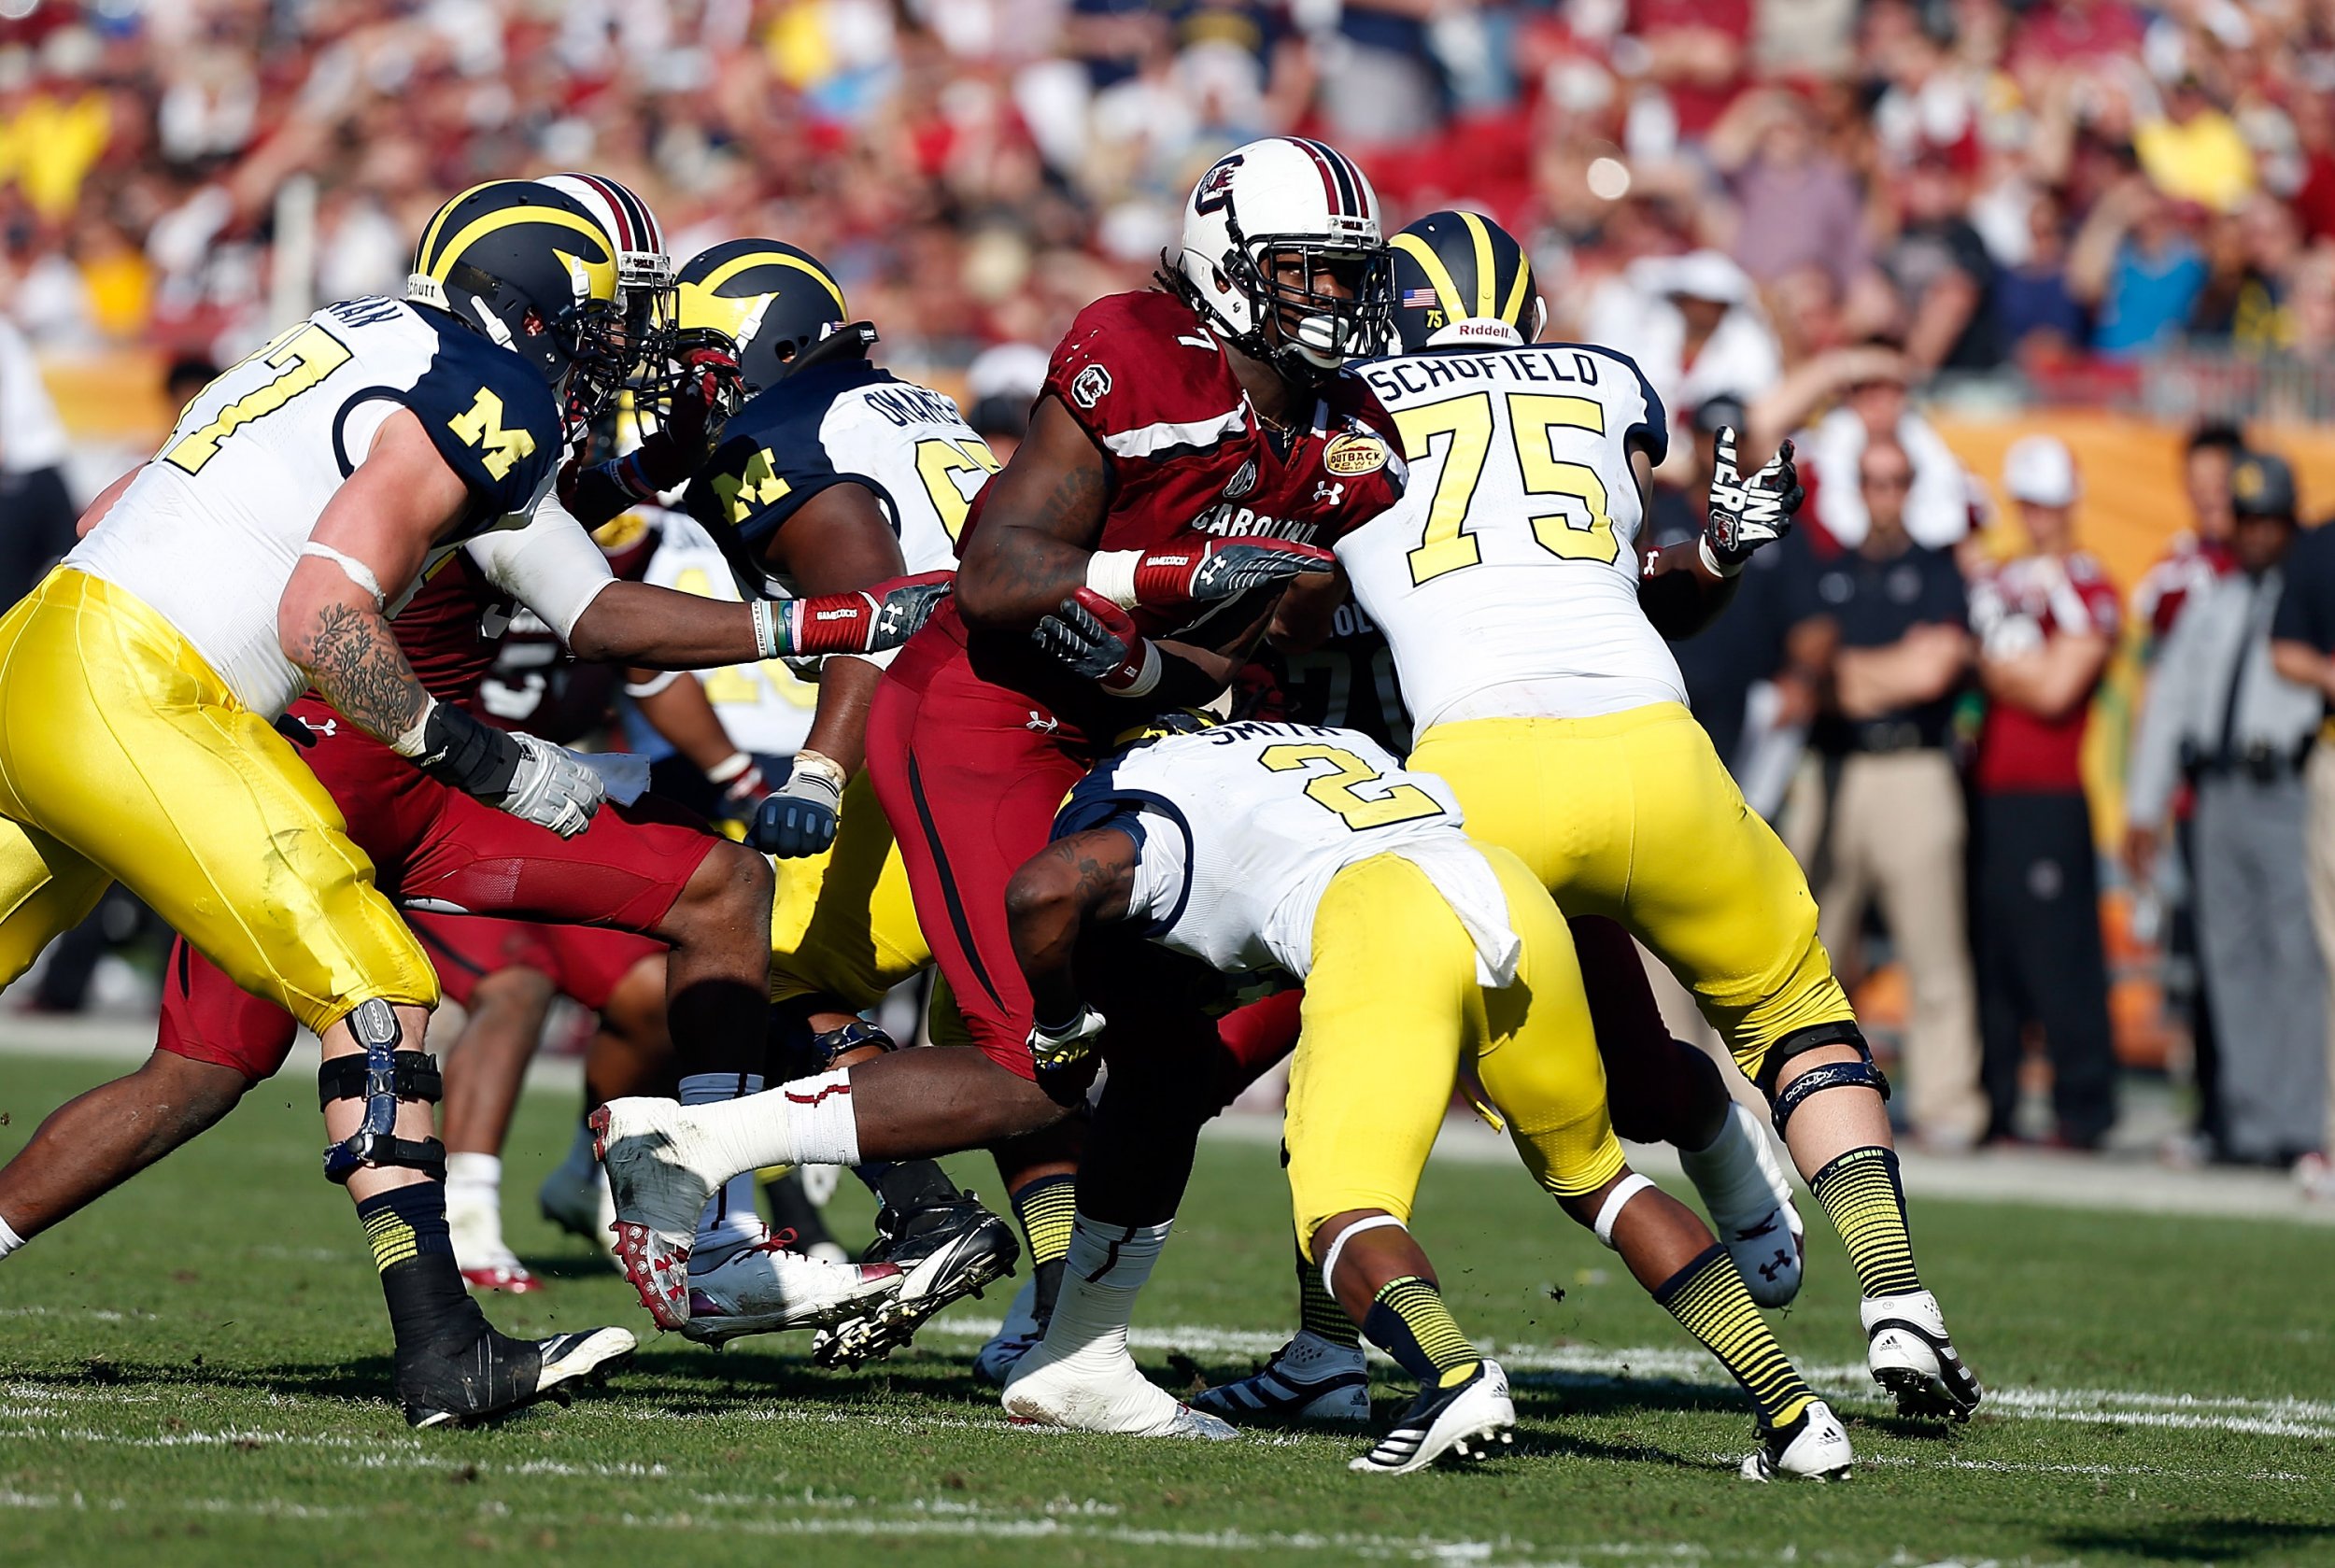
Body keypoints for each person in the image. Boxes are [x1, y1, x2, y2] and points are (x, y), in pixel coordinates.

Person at [592, 136, 1409, 1355]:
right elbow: (983, 580)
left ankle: (1019, 1288)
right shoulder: (1098, 363)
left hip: (1056, 709)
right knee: (1032, 1040)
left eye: (1350, 275)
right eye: (1311, 271)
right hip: (987, 698)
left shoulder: (1350, 437)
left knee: (1064, 1038)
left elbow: (897, 593)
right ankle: (940, 1250)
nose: (1339, 300)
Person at [1304, 209, 1978, 1420]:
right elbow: (1619, 571)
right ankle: (1900, 1300)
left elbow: (1318, 587)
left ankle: (1338, 1339)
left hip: (1476, 768)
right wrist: (1713, 556)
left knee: (1405, 1052)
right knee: (1795, 1014)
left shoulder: (1346, 403)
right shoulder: (1605, 379)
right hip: (1657, 748)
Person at [0, 178, 645, 1427]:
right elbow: (319, 618)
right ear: (538, 290)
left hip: (41, 643)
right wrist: (482, 757)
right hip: (140, 685)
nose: (614, 343)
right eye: (607, 313)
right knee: (378, 987)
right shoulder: (479, 378)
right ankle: (444, 1348)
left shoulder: (347, 329)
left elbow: (106, 506)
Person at [995, 717, 1854, 1481]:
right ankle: (1796, 1416)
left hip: (1380, 914)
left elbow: (1043, 892)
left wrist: (1061, 1021)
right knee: (1602, 1177)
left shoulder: (1139, 803)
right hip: (1500, 886)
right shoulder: (1310, 743)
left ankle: (1453, 1376)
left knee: (1340, 1209)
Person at [1782, 438, 1988, 1152]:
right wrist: (1882, 672)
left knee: (1933, 949)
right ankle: (1805, 1106)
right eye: (1872, 480)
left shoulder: (1935, 569)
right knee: (1814, 952)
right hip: (1834, 765)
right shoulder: (1828, 569)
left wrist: (1851, 676)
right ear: (1856, 485)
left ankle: (1949, 1104)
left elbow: (1936, 672)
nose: (1885, 493)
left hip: (1913, 767)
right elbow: (1811, 673)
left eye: (1897, 480)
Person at [2134, 452, 2326, 1169]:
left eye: (2269, 520)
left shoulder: (2310, 594)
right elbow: (2168, 705)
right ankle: (2249, 1121)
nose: (2256, 534)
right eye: (2246, 520)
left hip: (2286, 782)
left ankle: (2301, 1121)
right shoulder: (2213, 599)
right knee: (2230, 959)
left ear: (2290, 521)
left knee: (2296, 957)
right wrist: (2143, 805)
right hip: (2215, 793)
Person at [1967, 435, 2119, 1148]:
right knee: (1993, 956)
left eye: (2050, 502)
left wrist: (1998, 669)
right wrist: (2015, 668)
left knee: (2060, 958)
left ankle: (2084, 1108)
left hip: (2050, 794)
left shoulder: (2088, 586)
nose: (2039, 516)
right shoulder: (1997, 581)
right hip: (1990, 791)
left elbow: (2058, 687)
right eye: (2030, 501)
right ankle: (1995, 1104)